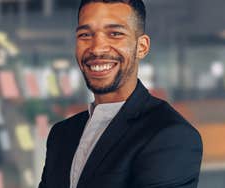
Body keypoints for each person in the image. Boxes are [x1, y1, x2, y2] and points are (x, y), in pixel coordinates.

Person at [38, 0, 203, 187]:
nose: (97, 48)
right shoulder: (61, 135)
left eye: (115, 34)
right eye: (85, 35)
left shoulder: (170, 136)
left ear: (142, 47)